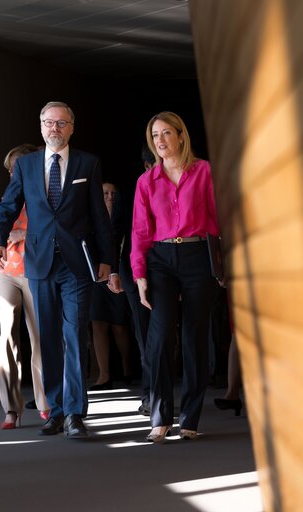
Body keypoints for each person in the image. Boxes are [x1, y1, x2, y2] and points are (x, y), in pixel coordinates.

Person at [0, 101, 119, 439]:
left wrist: (108, 259)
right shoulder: (27, 166)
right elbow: (6, 207)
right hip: (40, 263)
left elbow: (98, 215)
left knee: (74, 335)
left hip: (77, 264)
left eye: (61, 123)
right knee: (47, 337)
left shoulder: (88, 163)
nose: (54, 129)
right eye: (48, 122)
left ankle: (76, 413)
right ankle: (57, 411)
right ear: (41, 126)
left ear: (71, 128)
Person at [131, 111, 220, 442]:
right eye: (155, 135)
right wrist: (139, 275)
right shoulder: (146, 181)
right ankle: (159, 416)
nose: (160, 141)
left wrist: (220, 265)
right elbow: (140, 231)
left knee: (195, 337)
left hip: (198, 256)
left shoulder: (205, 172)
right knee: (161, 335)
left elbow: (217, 219)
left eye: (166, 133)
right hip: (161, 259)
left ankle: (190, 418)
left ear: (181, 136)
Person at [0, 144, 50, 429]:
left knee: (40, 338)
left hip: (36, 272)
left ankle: (45, 403)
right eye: (9, 168)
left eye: (18, 165)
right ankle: (11, 410)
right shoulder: (7, 196)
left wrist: (22, 232)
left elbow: (54, 227)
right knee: (6, 337)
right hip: (7, 271)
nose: (13, 171)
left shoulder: (44, 192)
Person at [118, 145, 155, 415]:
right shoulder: (137, 189)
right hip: (134, 271)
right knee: (144, 339)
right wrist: (116, 272)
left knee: (166, 337)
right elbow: (118, 232)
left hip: (169, 271)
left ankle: (161, 394)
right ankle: (150, 396)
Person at [89, 182, 133, 389]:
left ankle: (127, 369)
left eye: (113, 193)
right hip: (97, 275)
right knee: (98, 324)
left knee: (119, 326)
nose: (110, 197)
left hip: (120, 274)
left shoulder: (124, 219)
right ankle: (104, 376)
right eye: (105, 193)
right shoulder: (91, 218)